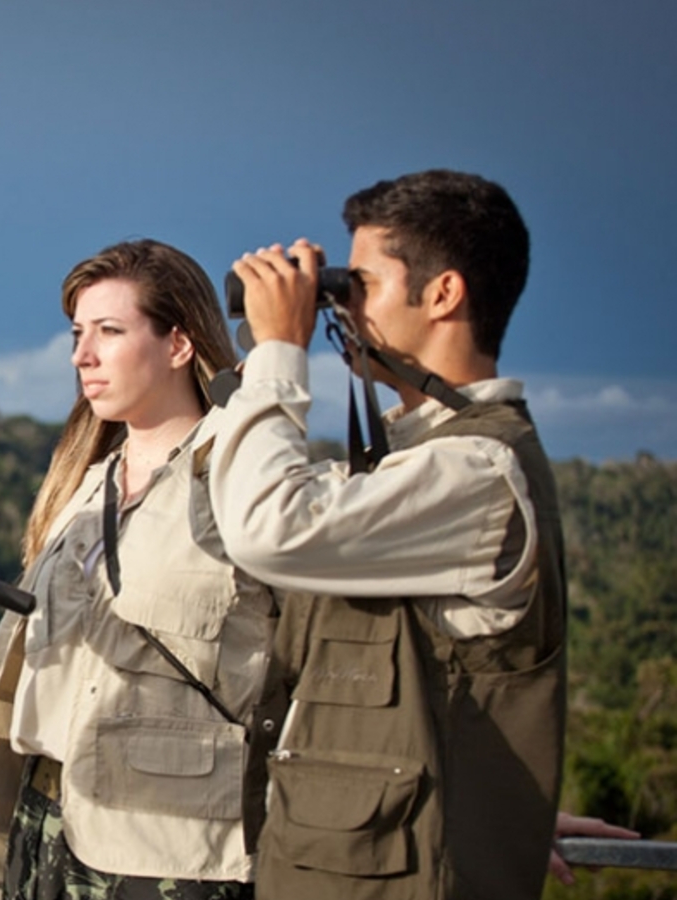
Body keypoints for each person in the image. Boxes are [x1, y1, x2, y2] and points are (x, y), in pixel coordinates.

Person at [0, 239, 272, 899]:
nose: (81, 355)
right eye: (78, 333)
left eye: (109, 331)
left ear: (179, 345)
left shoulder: (247, 473)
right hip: (46, 826)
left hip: (175, 851)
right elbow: (41, 685)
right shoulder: (83, 485)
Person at [211, 169, 567, 899]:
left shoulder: (480, 470)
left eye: (360, 283)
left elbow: (267, 529)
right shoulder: (417, 463)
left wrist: (282, 352)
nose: (342, 304)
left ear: (443, 294)